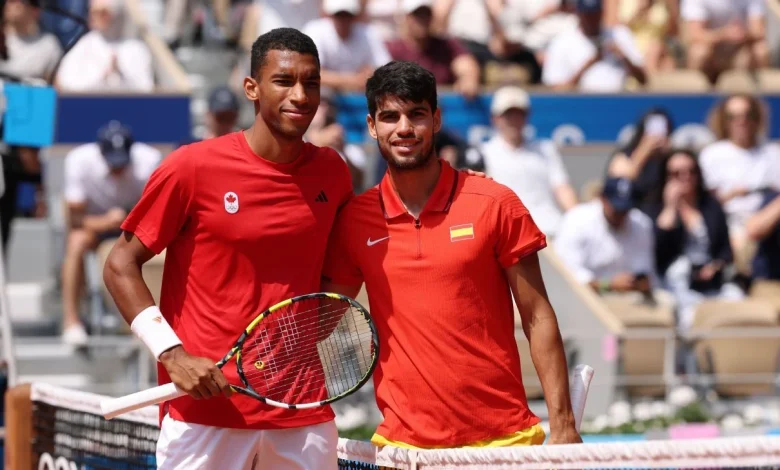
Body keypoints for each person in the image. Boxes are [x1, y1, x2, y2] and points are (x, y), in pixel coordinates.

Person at [102, 28, 353, 469]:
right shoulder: (191, 167)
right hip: (203, 415)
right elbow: (120, 264)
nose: (300, 95)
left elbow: (340, 270)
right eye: (285, 81)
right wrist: (172, 354)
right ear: (251, 88)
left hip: (303, 412)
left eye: (311, 83)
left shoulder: (333, 172)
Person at [321, 60, 581, 450]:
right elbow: (316, 323)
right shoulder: (355, 220)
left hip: (503, 443)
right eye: (390, 117)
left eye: (416, 115)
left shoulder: (495, 202)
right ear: (372, 126)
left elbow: (538, 316)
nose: (404, 128)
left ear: (437, 119)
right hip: (404, 450)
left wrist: (562, 424)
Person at [61, 121, 162, 345]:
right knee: (75, 242)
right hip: (94, 228)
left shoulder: (149, 162)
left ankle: (151, 318)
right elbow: (75, 219)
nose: (118, 169)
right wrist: (106, 221)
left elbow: (156, 213)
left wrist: (126, 220)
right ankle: (71, 320)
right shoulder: (79, 161)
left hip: (134, 229)